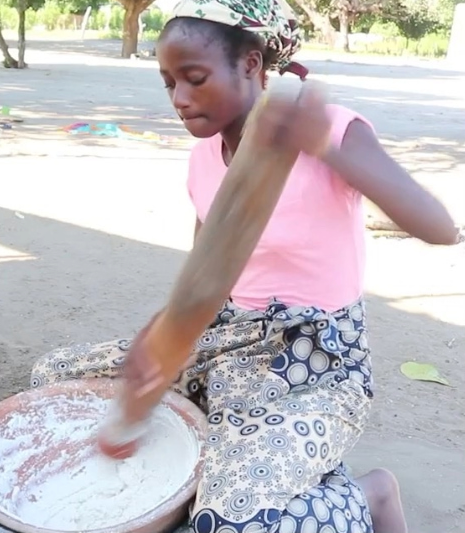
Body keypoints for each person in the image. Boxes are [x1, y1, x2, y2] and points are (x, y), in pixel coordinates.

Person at [29, 0, 461, 531]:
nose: (180, 99)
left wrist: (320, 143)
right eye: (169, 83)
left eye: (195, 78)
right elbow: (205, 275)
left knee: (234, 522)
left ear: (252, 65)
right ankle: (242, 452)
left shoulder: (329, 129)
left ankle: (369, 495)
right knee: (52, 382)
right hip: (227, 337)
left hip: (315, 359)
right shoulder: (204, 158)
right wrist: (159, 338)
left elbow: (440, 228)